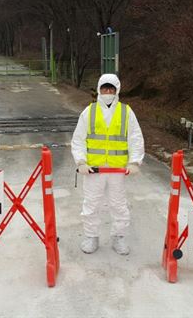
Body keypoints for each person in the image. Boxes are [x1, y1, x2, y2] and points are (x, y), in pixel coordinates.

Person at [71, 73, 145, 255]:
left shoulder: (126, 112)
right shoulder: (89, 111)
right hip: (94, 170)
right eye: (105, 88)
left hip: (117, 170)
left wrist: (135, 162)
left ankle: (118, 238)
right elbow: (78, 139)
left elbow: (135, 138)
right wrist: (80, 161)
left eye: (111, 89)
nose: (108, 92)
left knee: (119, 205)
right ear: (99, 89)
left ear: (117, 90)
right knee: (91, 204)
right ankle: (91, 236)